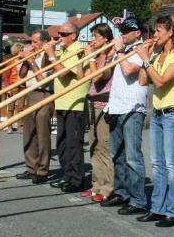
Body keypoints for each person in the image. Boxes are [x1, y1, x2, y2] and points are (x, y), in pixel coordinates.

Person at [136, 14, 174, 227]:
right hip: (158, 113)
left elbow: (160, 81)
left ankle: (173, 212)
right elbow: (142, 81)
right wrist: (145, 57)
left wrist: (146, 60)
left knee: (171, 164)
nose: (154, 34)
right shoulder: (157, 56)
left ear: (170, 32)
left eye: (158, 31)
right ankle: (157, 208)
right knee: (157, 164)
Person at [99, 15, 149, 213]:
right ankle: (121, 192)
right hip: (116, 106)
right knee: (116, 155)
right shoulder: (122, 50)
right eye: (120, 31)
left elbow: (129, 71)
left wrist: (118, 50)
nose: (121, 34)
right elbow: (106, 74)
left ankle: (138, 200)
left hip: (132, 108)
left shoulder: (143, 49)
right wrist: (109, 53)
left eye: (125, 31)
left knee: (132, 157)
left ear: (137, 33)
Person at [43, 22, 88, 193]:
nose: (59, 37)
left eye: (62, 34)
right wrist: (49, 53)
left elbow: (63, 72)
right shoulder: (63, 50)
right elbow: (50, 68)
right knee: (61, 143)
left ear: (73, 36)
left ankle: (76, 180)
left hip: (74, 102)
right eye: (58, 34)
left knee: (73, 144)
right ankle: (67, 175)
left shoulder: (77, 50)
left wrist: (52, 55)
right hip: (62, 101)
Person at [82, 23, 114, 202]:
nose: (93, 40)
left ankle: (107, 188)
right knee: (93, 146)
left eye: (96, 36)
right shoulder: (96, 56)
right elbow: (84, 76)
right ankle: (96, 185)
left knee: (104, 147)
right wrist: (86, 57)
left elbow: (99, 77)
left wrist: (92, 58)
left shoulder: (109, 57)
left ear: (106, 38)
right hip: (92, 102)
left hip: (104, 104)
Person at [16, 31, 54, 184]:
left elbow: (43, 80)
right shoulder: (33, 55)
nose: (32, 45)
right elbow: (22, 76)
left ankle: (42, 170)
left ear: (45, 42)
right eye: (31, 42)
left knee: (42, 135)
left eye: (35, 42)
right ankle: (31, 167)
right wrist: (25, 61)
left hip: (44, 94)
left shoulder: (48, 56)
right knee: (29, 132)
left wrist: (31, 61)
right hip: (31, 94)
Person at [3, 43, 24, 133]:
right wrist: (7, 88)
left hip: (23, 85)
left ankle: (20, 126)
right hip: (13, 85)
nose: (23, 52)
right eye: (21, 50)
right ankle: (9, 126)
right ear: (17, 51)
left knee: (20, 107)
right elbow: (6, 76)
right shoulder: (11, 62)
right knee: (11, 107)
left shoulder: (25, 61)